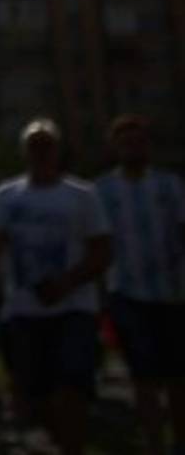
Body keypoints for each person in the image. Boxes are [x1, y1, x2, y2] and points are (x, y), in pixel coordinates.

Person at [0, 118, 112, 455]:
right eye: (33, 146)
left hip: (73, 308)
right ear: (24, 152)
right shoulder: (7, 196)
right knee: (32, 392)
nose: (40, 152)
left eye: (46, 145)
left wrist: (67, 282)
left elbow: (102, 251)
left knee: (72, 384)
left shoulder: (82, 195)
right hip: (23, 309)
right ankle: (55, 440)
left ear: (57, 150)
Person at [96, 114, 185, 455]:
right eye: (125, 141)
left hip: (172, 294)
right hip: (128, 294)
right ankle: (154, 444)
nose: (133, 147)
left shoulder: (168, 186)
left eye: (138, 140)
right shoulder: (103, 191)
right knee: (144, 376)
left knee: (177, 375)